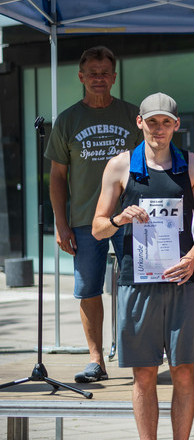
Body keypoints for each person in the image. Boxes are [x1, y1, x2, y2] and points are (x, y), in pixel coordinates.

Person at [92, 93, 194, 440]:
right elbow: (97, 228)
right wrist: (119, 217)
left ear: (177, 126)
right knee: (143, 374)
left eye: (167, 122)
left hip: (182, 280)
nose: (159, 129)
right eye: (152, 122)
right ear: (139, 123)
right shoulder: (120, 166)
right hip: (135, 281)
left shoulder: (193, 165)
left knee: (183, 371)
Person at [44, 46, 141, 383]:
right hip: (85, 220)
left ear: (114, 78)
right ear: (81, 77)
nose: (99, 78)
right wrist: (61, 222)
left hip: (132, 218)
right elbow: (57, 176)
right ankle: (96, 360)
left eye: (105, 73)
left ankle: (136, 355)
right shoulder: (67, 120)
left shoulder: (133, 116)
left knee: (135, 284)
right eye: (93, 73)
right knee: (88, 289)